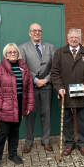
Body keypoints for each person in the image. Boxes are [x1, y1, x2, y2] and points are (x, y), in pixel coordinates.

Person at [50, 29, 84, 157]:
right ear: (67, 38)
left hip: (82, 93)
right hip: (65, 93)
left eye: (76, 37)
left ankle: (82, 143)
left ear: (80, 38)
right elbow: (54, 73)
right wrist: (59, 87)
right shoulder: (60, 52)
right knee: (67, 119)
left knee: (82, 120)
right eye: (71, 37)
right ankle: (69, 143)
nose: (74, 39)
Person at [0, 43, 35, 167]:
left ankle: (13, 154)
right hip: (5, 108)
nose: (13, 54)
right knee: (2, 133)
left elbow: (29, 88)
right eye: (10, 52)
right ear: (5, 54)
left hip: (20, 106)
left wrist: (29, 105)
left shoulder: (23, 68)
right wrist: (0, 104)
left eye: (15, 52)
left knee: (15, 131)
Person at [19, 23, 55, 153]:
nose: (37, 32)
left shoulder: (51, 47)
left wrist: (45, 80)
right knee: (30, 115)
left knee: (46, 114)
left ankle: (46, 141)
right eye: (34, 30)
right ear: (29, 33)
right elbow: (23, 67)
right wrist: (35, 80)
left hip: (47, 86)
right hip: (30, 87)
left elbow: (55, 67)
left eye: (39, 30)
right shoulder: (22, 48)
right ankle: (29, 141)